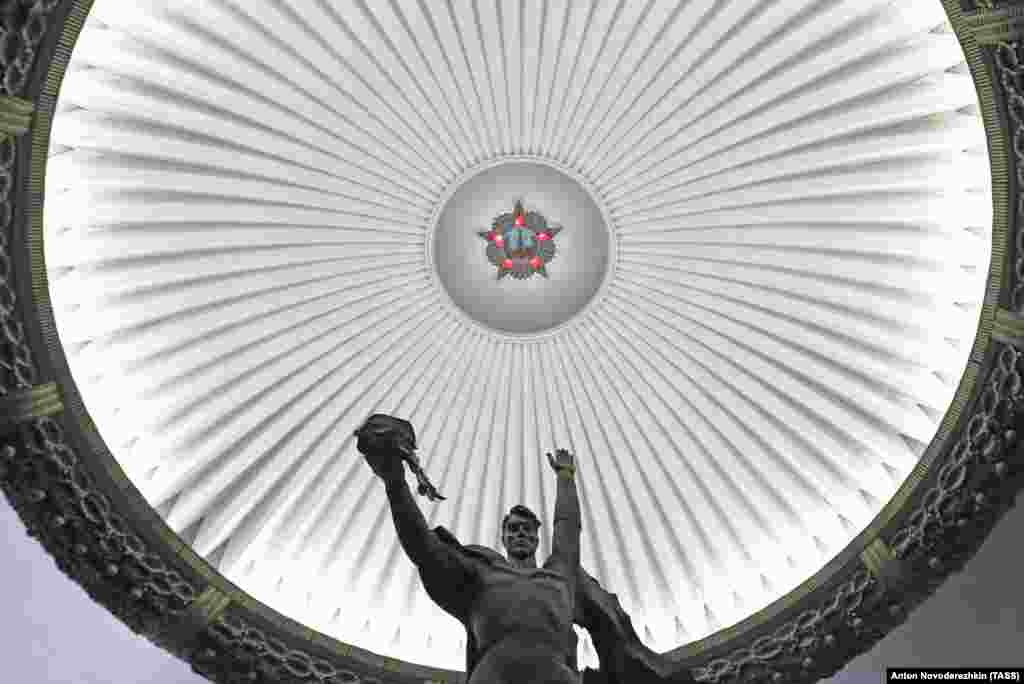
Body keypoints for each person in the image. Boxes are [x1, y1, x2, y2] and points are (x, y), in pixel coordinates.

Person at [355, 414, 697, 684]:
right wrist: (394, 482)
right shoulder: (481, 572)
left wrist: (566, 477)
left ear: (537, 537)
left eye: (527, 530)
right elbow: (423, 549)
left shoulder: (559, 576)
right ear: (503, 537)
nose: (520, 534)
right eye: (513, 529)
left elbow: (567, 528)